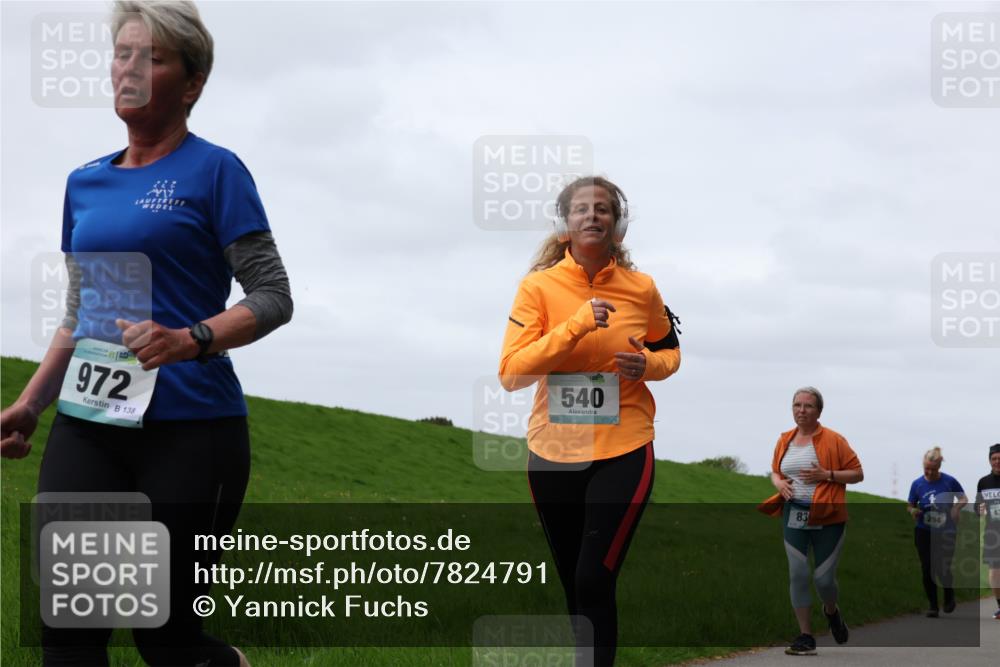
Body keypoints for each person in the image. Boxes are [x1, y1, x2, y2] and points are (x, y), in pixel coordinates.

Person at [0, 2, 292, 665]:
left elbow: (273, 295)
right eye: (122, 54)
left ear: (192, 83)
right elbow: (80, 311)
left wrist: (191, 338)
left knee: (164, 636)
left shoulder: (216, 171)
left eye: (152, 58)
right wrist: (31, 403)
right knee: (69, 631)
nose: (129, 70)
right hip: (88, 423)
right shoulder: (85, 183)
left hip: (193, 428)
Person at [498, 175, 681, 666]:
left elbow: (671, 352)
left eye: (603, 208)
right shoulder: (537, 288)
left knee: (593, 577)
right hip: (554, 452)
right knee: (573, 583)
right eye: (581, 208)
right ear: (565, 225)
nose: (592, 215)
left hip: (625, 447)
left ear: (617, 225)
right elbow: (512, 374)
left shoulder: (642, 289)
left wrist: (649, 366)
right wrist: (576, 324)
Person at [757, 387, 863, 656]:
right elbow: (775, 471)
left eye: (808, 406)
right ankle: (806, 636)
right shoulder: (785, 439)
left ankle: (832, 611)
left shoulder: (834, 440)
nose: (801, 410)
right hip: (794, 514)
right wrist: (779, 483)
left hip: (828, 517)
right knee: (798, 573)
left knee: (824, 580)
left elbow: (857, 474)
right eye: (797, 405)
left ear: (818, 411)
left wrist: (827, 474)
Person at [907, 447, 967, 617]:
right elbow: (910, 504)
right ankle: (933, 606)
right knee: (927, 568)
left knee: (942, 567)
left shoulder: (949, 481)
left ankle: (949, 595)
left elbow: (963, 498)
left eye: (933, 469)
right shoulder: (917, 484)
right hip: (924, 530)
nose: (930, 472)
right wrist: (913, 511)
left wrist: (956, 508)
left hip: (946, 530)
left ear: (939, 467)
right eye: (926, 468)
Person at [975, 443, 1000, 620]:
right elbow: (977, 507)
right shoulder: (984, 482)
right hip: (993, 532)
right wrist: (979, 509)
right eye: (994, 458)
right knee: (994, 571)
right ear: (989, 461)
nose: (997, 461)